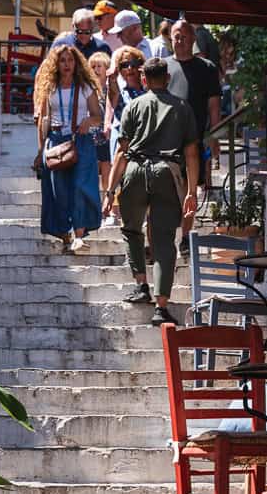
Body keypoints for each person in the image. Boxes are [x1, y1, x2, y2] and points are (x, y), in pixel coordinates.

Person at [105, 56, 199, 326]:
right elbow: (191, 153)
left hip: (134, 170)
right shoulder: (182, 108)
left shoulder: (133, 106)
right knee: (163, 239)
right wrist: (191, 191)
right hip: (167, 173)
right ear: (167, 79)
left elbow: (121, 152)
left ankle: (141, 285)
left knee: (132, 230)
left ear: (144, 79)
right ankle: (161, 306)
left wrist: (110, 192)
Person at [34, 45, 102, 253]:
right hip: (56, 141)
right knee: (59, 190)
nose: (66, 64)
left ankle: (79, 235)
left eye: (70, 60)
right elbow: (43, 120)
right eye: (62, 60)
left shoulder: (85, 87)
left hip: (81, 140)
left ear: (77, 63)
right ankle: (65, 235)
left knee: (81, 186)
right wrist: (40, 150)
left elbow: (97, 116)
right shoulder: (50, 88)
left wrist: (88, 121)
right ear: (56, 63)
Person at [166, 19, 221, 256]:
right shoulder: (162, 67)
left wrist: (215, 136)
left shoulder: (207, 68)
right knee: (167, 192)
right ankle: (166, 237)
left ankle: (186, 237)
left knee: (192, 189)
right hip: (166, 142)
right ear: (170, 38)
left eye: (184, 36)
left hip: (195, 139)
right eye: (176, 36)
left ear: (193, 39)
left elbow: (214, 108)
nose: (180, 40)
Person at [107, 46, 146, 159]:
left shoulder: (149, 92)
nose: (129, 68)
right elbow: (113, 92)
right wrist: (112, 77)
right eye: (124, 65)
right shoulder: (119, 93)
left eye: (134, 63)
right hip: (122, 147)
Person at [88, 50, 112, 207]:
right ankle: (94, 205)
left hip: (107, 136)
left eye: (99, 66)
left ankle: (109, 204)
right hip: (91, 136)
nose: (96, 69)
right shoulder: (88, 90)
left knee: (107, 171)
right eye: (93, 66)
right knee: (92, 172)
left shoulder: (112, 89)